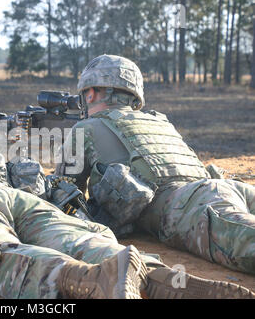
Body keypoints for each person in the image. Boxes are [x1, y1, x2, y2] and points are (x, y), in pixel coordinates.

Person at [0, 61, 253, 299]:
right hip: (17, 199)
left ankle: (86, 280)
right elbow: (26, 175)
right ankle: (156, 275)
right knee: (77, 236)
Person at [56, 54, 255, 276]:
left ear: (90, 94)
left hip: (192, 207)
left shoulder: (85, 128)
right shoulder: (158, 120)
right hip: (227, 188)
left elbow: (63, 199)